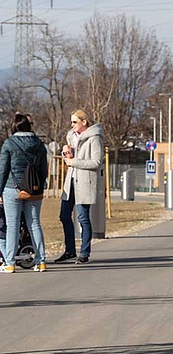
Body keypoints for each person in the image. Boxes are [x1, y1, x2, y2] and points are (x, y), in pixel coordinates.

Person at [0, 114, 48, 273]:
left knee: (12, 226)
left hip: (12, 188)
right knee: (35, 223)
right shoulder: (39, 144)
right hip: (34, 189)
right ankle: (41, 261)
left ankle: (9, 263)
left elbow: (3, 169)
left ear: (14, 126)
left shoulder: (9, 143)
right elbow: (44, 169)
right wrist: (40, 185)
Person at [55, 109, 105, 264]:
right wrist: (66, 153)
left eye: (75, 122)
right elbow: (69, 159)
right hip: (70, 180)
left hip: (84, 182)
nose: (72, 125)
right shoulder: (71, 136)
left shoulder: (94, 138)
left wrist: (74, 161)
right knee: (64, 215)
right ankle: (70, 250)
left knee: (83, 217)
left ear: (84, 122)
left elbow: (96, 162)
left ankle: (84, 252)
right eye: (71, 122)